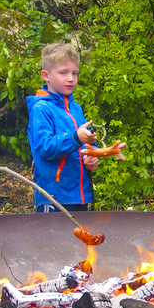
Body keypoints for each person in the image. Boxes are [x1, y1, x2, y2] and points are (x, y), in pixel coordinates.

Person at [27, 42, 101, 213]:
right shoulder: (41, 109)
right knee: (55, 240)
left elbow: (86, 142)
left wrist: (92, 155)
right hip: (53, 196)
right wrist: (76, 138)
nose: (70, 78)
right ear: (46, 75)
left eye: (74, 73)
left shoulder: (76, 108)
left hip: (80, 193)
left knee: (79, 239)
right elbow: (45, 148)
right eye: (63, 73)